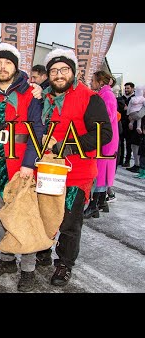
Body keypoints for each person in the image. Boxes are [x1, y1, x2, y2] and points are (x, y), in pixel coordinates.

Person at [35, 49, 112, 287]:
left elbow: (104, 134)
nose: (59, 75)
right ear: (48, 74)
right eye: (54, 70)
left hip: (75, 173)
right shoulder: (42, 98)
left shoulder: (90, 97)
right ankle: (44, 250)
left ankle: (64, 264)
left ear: (74, 72)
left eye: (64, 70)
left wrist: (67, 146)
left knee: (69, 221)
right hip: (45, 171)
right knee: (44, 215)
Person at [0, 43, 45, 292]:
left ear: (16, 66)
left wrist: (28, 164)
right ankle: (7, 261)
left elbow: (37, 131)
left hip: (20, 165)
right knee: (2, 215)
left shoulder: (29, 94)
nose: (3, 67)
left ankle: (28, 270)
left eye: (8, 63)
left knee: (23, 218)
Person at [84, 71, 120, 218]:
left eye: (93, 80)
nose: (91, 83)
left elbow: (108, 116)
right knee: (103, 170)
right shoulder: (105, 94)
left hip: (106, 139)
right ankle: (100, 203)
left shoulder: (107, 95)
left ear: (100, 81)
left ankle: (94, 206)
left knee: (100, 171)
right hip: (106, 137)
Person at [118, 82, 134, 167]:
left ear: (132, 89)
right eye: (126, 88)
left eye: (128, 88)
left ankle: (127, 160)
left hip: (130, 125)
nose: (126, 90)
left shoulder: (135, 99)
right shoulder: (120, 98)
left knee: (128, 143)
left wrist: (128, 109)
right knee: (121, 143)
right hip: (121, 123)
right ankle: (120, 159)